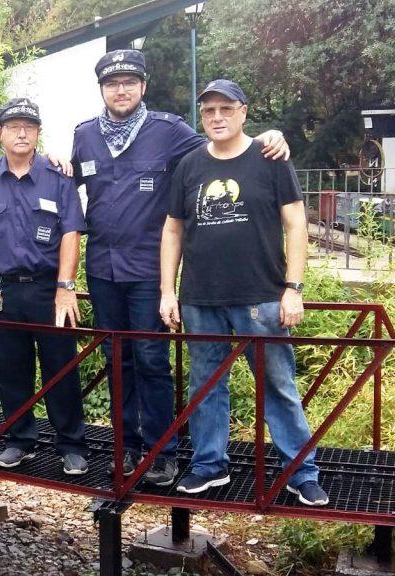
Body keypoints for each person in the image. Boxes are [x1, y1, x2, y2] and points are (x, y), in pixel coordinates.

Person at [71, 49, 289, 486]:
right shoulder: (85, 135)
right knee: (118, 360)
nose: (121, 89)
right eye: (113, 83)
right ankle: (126, 447)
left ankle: (161, 450)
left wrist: (271, 134)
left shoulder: (169, 131)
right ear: (101, 90)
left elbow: (225, 144)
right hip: (102, 270)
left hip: (151, 271)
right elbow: (65, 182)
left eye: (129, 82)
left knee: (152, 359)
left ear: (143, 86)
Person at [159, 79, 327, 506]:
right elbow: (173, 229)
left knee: (277, 385)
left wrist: (293, 288)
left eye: (225, 109)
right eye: (209, 110)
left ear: (243, 113)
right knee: (205, 385)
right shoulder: (189, 166)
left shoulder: (271, 158)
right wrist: (167, 291)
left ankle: (300, 472)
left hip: (262, 298)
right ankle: (208, 466)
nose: (217, 117)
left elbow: (296, 225)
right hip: (199, 298)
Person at [0, 98, 89, 472]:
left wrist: (66, 285)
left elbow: (71, 233)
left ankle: (71, 444)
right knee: (11, 367)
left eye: (28, 126)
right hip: (2, 290)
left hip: (49, 290)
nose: (21, 132)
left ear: (38, 132)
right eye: (13, 126)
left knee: (61, 366)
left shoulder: (58, 179)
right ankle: (20, 438)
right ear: (0, 133)